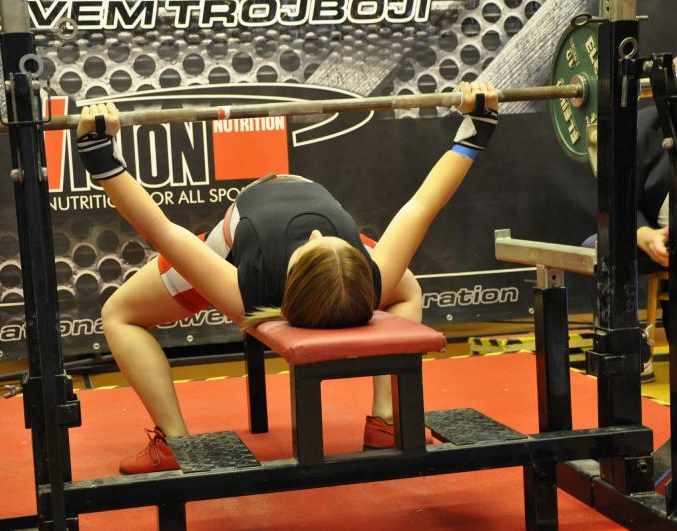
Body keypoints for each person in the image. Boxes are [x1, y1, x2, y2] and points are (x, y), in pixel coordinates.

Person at [75, 82, 500, 474]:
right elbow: (422, 206)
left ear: (295, 276)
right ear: (359, 263)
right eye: (333, 241)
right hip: (332, 262)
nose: (315, 233)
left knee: (120, 314)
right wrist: (477, 128)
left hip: (233, 241)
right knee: (408, 289)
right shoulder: (376, 277)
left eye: (312, 246)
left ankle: (175, 443)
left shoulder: (247, 290)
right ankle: (388, 420)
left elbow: (162, 231)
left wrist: (99, 154)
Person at [583, 48, 677, 383]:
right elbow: (617, 198)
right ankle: (629, 347)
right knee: (600, 245)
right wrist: (644, 236)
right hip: (658, 239)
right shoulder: (640, 126)